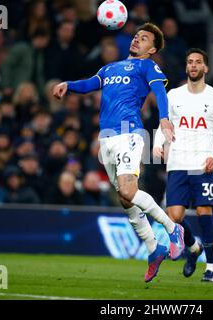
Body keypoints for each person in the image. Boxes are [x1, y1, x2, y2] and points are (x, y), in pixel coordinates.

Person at [53, 23, 185, 282]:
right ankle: (153, 249)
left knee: (127, 190)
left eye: (144, 38)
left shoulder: (147, 66)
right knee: (126, 200)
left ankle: (173, 229)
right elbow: (90, 84)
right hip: (108, 138)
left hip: (129, 132)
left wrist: (165, 118)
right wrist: (68, 84)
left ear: (153, 48)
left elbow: (159, 91)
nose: (137, 39)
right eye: (136, 36)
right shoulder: (109, 68)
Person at [153, 48, 213, 282]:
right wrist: (158, 143)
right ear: (186, 67)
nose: (194, 66)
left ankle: (212, 268)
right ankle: (193, 247)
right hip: (178, 161)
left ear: (205, 68)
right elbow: (164, 124)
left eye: (198, 62)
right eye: (190, 62)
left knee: (204, 211)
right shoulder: (174, 95)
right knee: (174, 216)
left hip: (203, 162)